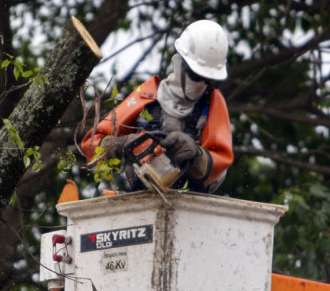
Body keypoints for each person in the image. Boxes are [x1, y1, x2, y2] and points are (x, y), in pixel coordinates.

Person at [82, 20, 234, 194]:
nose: (202, 84)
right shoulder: (147, 96)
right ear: (179, 63)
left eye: (210, 80)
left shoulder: (213, 104)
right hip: (138, 197)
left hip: (191, 204)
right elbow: (91, 144)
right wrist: (121, 145)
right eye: (196, 75)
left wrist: (196, 157)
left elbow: (221, 163)